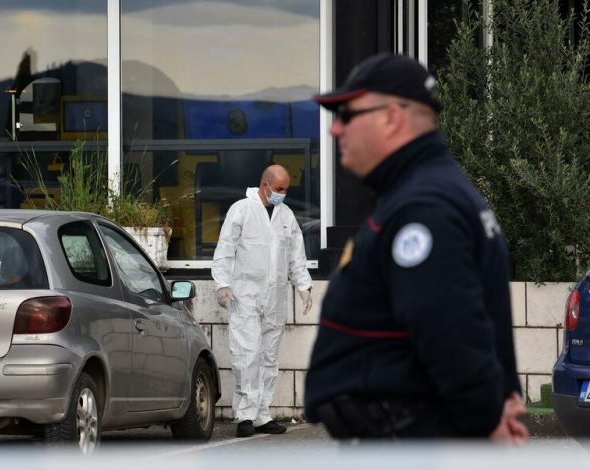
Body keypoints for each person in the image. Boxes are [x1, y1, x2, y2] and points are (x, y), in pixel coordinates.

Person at [303, 53, 528, 442]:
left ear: (391, 118)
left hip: (415, 441)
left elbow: (449, 328)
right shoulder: (430, 191)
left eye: (347, 114)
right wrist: (500, 400)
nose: (335, 129)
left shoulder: (423, 206)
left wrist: (486, 423)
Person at [212, 164, 313, 438]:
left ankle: (262, 414)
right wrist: (222, 284)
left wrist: (303, 285)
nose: (283, 193)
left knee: (269, 355)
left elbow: (296, 255)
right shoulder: (242, 210)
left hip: (275, 297)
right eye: (279, 188)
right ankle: (245, 415)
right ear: (265, 185)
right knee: (247, 354)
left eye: (286, 189)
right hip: (245, 295)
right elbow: (225, 249)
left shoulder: (286, 215)